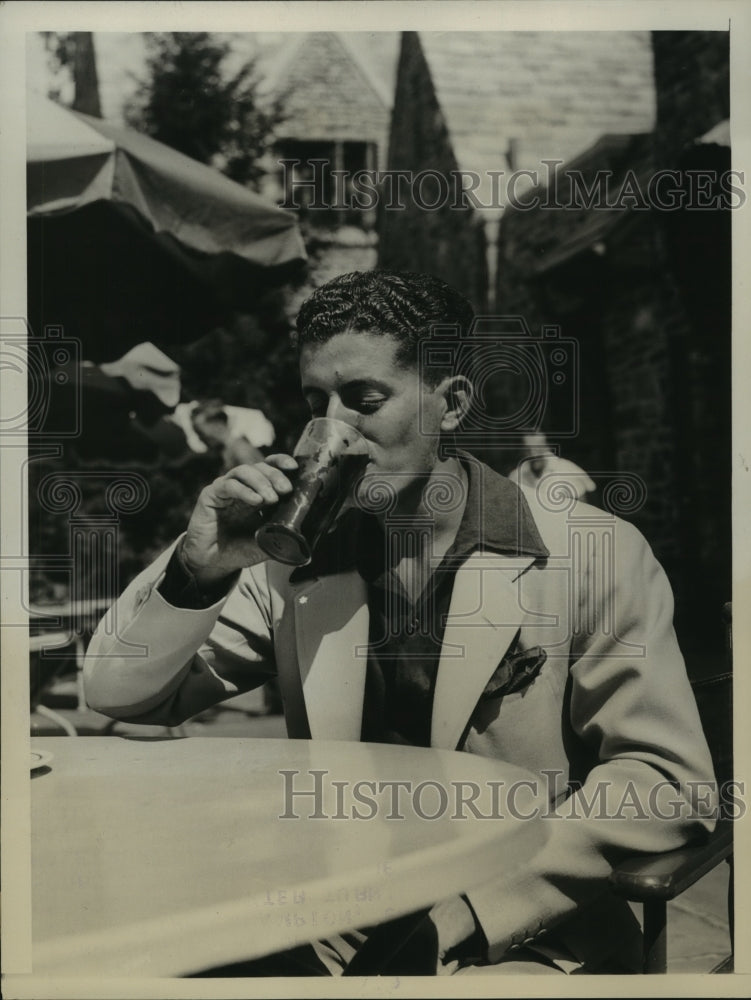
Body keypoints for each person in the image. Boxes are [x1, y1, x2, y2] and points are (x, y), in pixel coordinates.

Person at [84, 270, 717, 976]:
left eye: (363, 400)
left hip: (524, 936)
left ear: (449, 405)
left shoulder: (589, 553)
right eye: (313, 403)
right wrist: (199, 566)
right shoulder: (289, 564)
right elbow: (117, 694)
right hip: (337, 923)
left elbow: (667, 780)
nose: (332, 432)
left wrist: (472, 911)